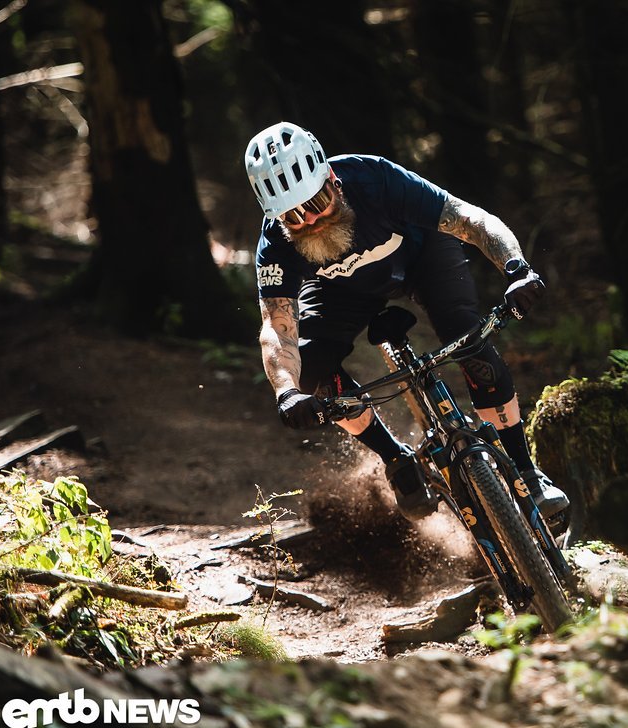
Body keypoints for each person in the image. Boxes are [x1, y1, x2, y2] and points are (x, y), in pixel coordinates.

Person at [243, 121, 568, 526]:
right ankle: (396, 458)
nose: (310, 220)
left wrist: (516, 269)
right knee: (312, 372)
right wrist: (287, 391)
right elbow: (277, 327)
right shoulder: (276, 243)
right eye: (292, 216)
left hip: (421, 259)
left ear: (332, 179)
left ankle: (524, 471)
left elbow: (470, 219)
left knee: (469, 343)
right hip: (341, 292)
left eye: (318, 200)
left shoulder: (376, 180)